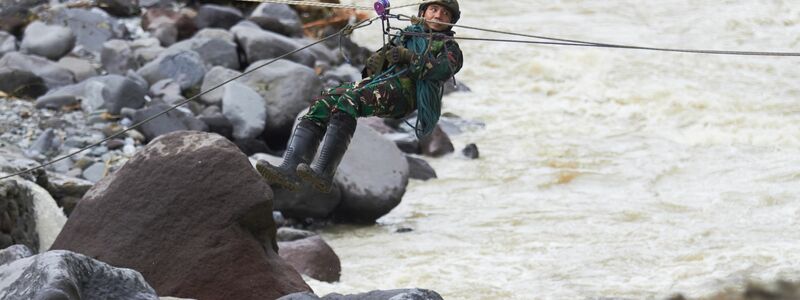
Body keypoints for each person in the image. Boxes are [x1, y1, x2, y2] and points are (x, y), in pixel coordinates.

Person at [256, 0, 464, 193]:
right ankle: (289, 170)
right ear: (423, 12)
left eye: (445, 14)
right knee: (324, 101)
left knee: (350, 100)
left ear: (450, 21)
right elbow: (374, 68)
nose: (438, 16)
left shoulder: (450, 48)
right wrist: (378, 61)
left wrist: (408, 56)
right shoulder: (406, 34)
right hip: (384, 84)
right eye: (434, 9)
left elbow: (440, 70)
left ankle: (324, 173)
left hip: (406, 96)